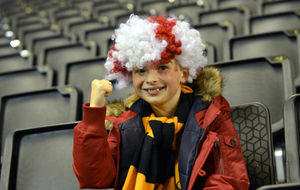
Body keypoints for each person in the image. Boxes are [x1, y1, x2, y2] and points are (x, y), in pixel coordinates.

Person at [72, 14, 250, 190]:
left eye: (163, 67)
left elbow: (227, 181)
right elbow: (94, 180)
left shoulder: (212, 116)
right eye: (141, 70)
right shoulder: (123, 123)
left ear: (184, 73)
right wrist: (94, 114)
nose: (151, 79)